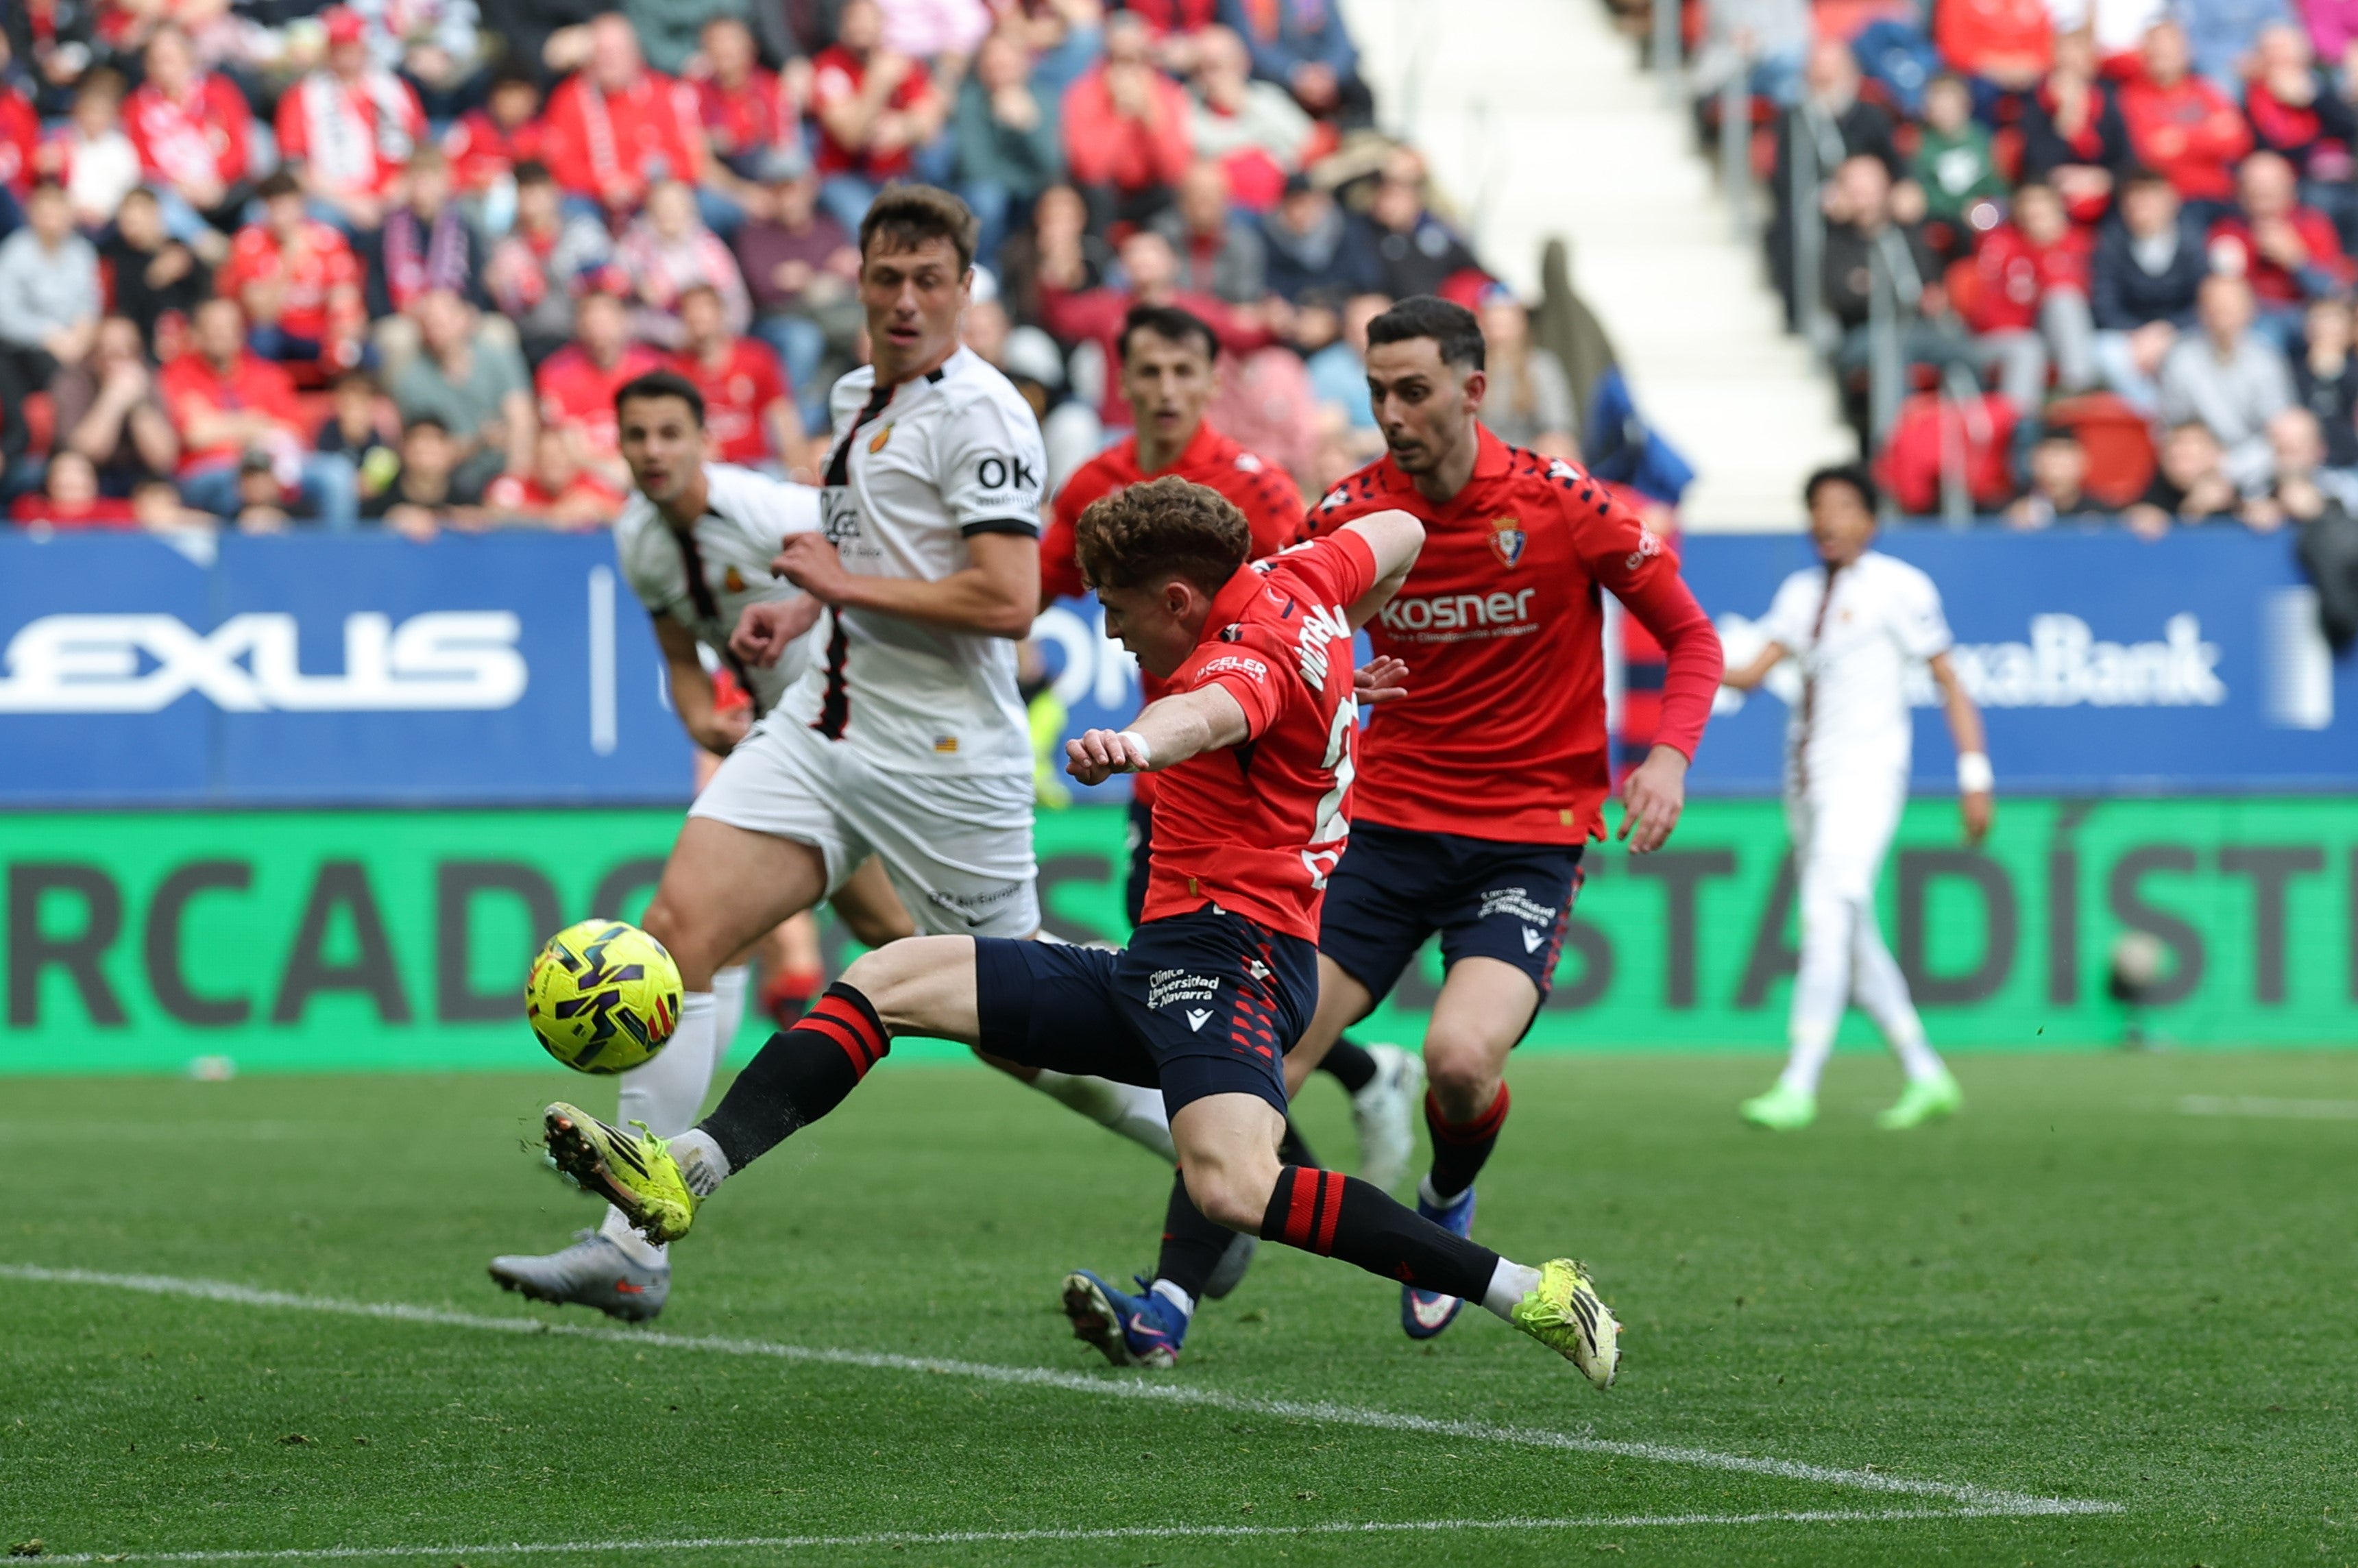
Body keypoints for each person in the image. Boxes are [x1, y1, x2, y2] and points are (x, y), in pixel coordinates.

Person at [533, 475, 1622, 1389]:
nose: (1107, 627)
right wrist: (1344, 650)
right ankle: (686, 1170)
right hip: (1171, 959)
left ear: (1181, 598)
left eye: (1117, 606)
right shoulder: (1305, 576)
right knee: (888, 977)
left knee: (1235, 1188)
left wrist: (1139, 745)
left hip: (1234, 963)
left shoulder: (1237, 664)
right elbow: (1402, 531)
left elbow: (1209, 710)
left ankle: (1530, 1291)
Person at [596, 186, 1193, 1218]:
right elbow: (860, 554)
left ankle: (1215, 1141)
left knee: (1011, 1029)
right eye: (887, 278)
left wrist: (839, 586)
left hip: (943, 754)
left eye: (928, 280)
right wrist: (800, 607)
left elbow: (1006, 601)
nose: (906, 299)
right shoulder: (852, 397)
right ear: (861, 283)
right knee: (677, 934)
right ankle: (628, 1239)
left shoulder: (984, 415)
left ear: (964, 289)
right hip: (822, 728)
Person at [1270, 295, 1721, 1348]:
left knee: (1463, 1062)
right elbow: (1280, 643)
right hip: (1384, 834)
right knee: (1265, 1063)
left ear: (1475, 390)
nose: (1391, 414)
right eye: (1377, 393)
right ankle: (1187, 1279)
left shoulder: (1563, 503)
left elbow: (1692, 637)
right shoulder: (1345, 514)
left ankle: (1442, 1204)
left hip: (1524, 839)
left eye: (1414, 391)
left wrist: (1667, 757)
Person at [487, 367, 914, 1321]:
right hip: (797, 757)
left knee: (971, 975)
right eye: (635, 435)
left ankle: (1183, 1095)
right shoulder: (640, 539)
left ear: (702, 437)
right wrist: (708, 726)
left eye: (669, 433)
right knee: (693, 939)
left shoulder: (769, 511)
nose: (652, 451)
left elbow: (878, 560)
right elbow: (684, 669)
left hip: (874, 741)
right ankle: (630, 1243)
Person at [1039, 299, 1425, 1197]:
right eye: (1149, 371)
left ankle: (1256, 1195)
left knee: (1200, 982)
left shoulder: (1252, 486)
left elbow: (1299, 616)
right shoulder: (1095, 482)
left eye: (1184, 371)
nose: (1165, 389)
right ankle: (1337, 1110)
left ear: (1213, 382)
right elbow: (1028, 592)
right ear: (1123, 380)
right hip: (1164, 769)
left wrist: (1328, 678)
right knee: (1174, 979)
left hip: (1236, 761)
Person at [1723, 465, 1989, 1132]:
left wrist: (1974, 776)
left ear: (1869, 521)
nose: (1827, 519)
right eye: (1817, 506)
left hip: (1866, 775)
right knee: (1851, 931)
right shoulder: (1799, 592)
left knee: (1826, 911)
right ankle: (1925, 1071)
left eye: (1842, 506)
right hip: (1806, 783)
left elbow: (1949, 680)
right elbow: (1750, 675)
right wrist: (1681, 649)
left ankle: (1799, 1079)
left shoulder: (1898, 586)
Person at [161, 297, 360, 527]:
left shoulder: (269, 375)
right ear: (197, 334)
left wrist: (224, 426)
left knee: (337, 474)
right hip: (213, 471)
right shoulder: (177, 375)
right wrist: (256, 423)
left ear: (241, 332)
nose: (221, 335)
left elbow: (293, 433)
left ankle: (337, 550)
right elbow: (196, 435)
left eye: (228, 327)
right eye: (213, 328)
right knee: (240, 485)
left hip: (273, 467)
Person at [543, 14, 711, 229]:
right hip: (593, 201)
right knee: (571, 212)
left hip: (656, 197)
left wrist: (641, 184)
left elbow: (689, 160)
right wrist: (603, 185)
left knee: (712, 208)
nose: (609, 61)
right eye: (602, 53)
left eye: (617, 53)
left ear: (636, 54)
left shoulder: (667, 93)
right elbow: (561, 164)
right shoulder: (568, 99)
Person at [274, 5, 427, 234]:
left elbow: (422, 151)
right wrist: (350, 203)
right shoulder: (303, 96)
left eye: (353, 47)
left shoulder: (396, 90)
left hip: (397, 195)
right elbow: (296, 167)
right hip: (332, 201)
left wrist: (398, 191)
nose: (348, 55)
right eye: (340, 48)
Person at [808, 0, 945, 234]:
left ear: (883, 25)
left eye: (869, 19)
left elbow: (931, 123)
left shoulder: (900, 61)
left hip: (896, 174)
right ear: (842, 26)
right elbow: (850, 137)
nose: (862, 26)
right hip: (843, 176)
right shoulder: (829, 67)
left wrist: (904, 128)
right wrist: (878, 84)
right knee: (873, 231)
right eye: (855, 19)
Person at [216, 170, 367, 375]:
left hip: (321, 333)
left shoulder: (328, 240)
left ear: (301, 206)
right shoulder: (249, 243)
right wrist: (288, 259)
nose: (282, 217)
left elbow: (345, 297)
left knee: (363, 351)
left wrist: (344, 331)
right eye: (275, 208)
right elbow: (262, 314)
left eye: (288, 207)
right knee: (262, 340)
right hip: (279, 332)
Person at [2158, 273, 2295, 494]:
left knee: (2293, 436)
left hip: (2256, 468)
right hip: (2197, 468)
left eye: (2231, 306)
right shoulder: (2181, 359)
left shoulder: (2266, 360)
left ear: (2250, 310)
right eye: (2215, 305)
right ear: (2201, 310)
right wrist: (2204, 462)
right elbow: (2173, 427)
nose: (2222, 313)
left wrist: (2227, 469)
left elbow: (2278, 433)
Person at [0, 180, 99, 484]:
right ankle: (38, 456)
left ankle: (78, 458)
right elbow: (5, 315)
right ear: (32, 215)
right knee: (55, 375)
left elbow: (90, 305)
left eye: (59, 212)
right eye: (46, 212)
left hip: (75, 344)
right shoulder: (16, 252)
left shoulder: (81, 252)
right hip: (23, 347)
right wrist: (50, 335)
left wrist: (81, 336)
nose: (53, 219)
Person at [2090, 167, 2209, 410]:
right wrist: (2138, 335)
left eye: (2148, 199)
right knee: (2103, 353)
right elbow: (2104, 304)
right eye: (2134, 200)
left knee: (2191, 356)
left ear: (2170, 201)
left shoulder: (2192, 240)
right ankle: (2154, 414)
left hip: (2181, 332)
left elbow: (2205, 301)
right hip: (2128, 337)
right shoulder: (2111, 241)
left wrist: (2167, 331)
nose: (2141, 207)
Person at [949, 27, 1062, 268]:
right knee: (987, 199)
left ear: (1023, 63)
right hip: (996, 192)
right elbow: (974, 167)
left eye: (1006, 61)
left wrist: (1027, 127)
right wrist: (1022, 178)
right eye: (992, 61)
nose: (998, 67)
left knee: (1059, 203)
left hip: (1031, 194)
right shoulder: (970, 100)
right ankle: (984, 269)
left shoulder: (1043, 99)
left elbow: (1052, 166)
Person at [535, 288, 666, 485]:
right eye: (591, 323)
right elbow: (566, 444)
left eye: (606, 322)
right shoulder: (556, 373)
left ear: (624, 322)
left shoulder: (652, 370)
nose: (599, 332)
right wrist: (612, 471)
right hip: (584, 477)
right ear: (579, 326)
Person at [669, 281, 801, 471]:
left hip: (757, 467)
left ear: (720, 313)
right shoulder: (675, 370)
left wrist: (798, 468)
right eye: (689, 310)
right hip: (708, 470)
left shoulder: (757, 358)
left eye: (703, 308)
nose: (697, 316)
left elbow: (783, 417)